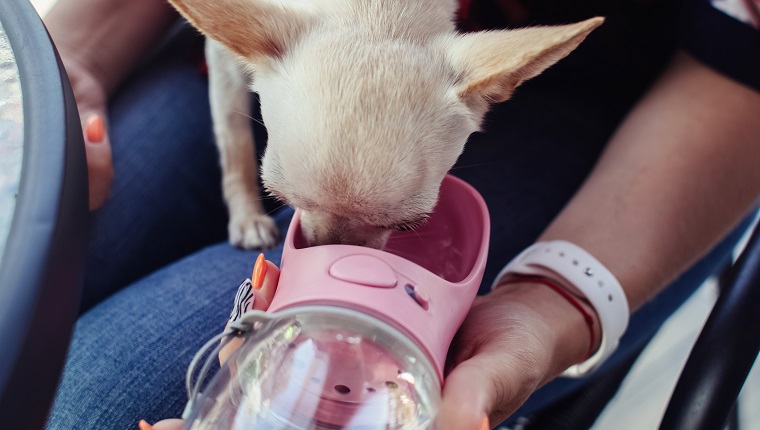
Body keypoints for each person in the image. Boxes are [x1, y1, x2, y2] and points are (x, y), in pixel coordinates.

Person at [42, 0, 760, 428]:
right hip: (291, 44)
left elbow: (743, 68)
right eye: (291, 199)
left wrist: (557, 300)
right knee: (27, 262)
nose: (313, 247)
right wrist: (67, 63)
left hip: (621, 102)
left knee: (93, 407)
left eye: (401, 219)